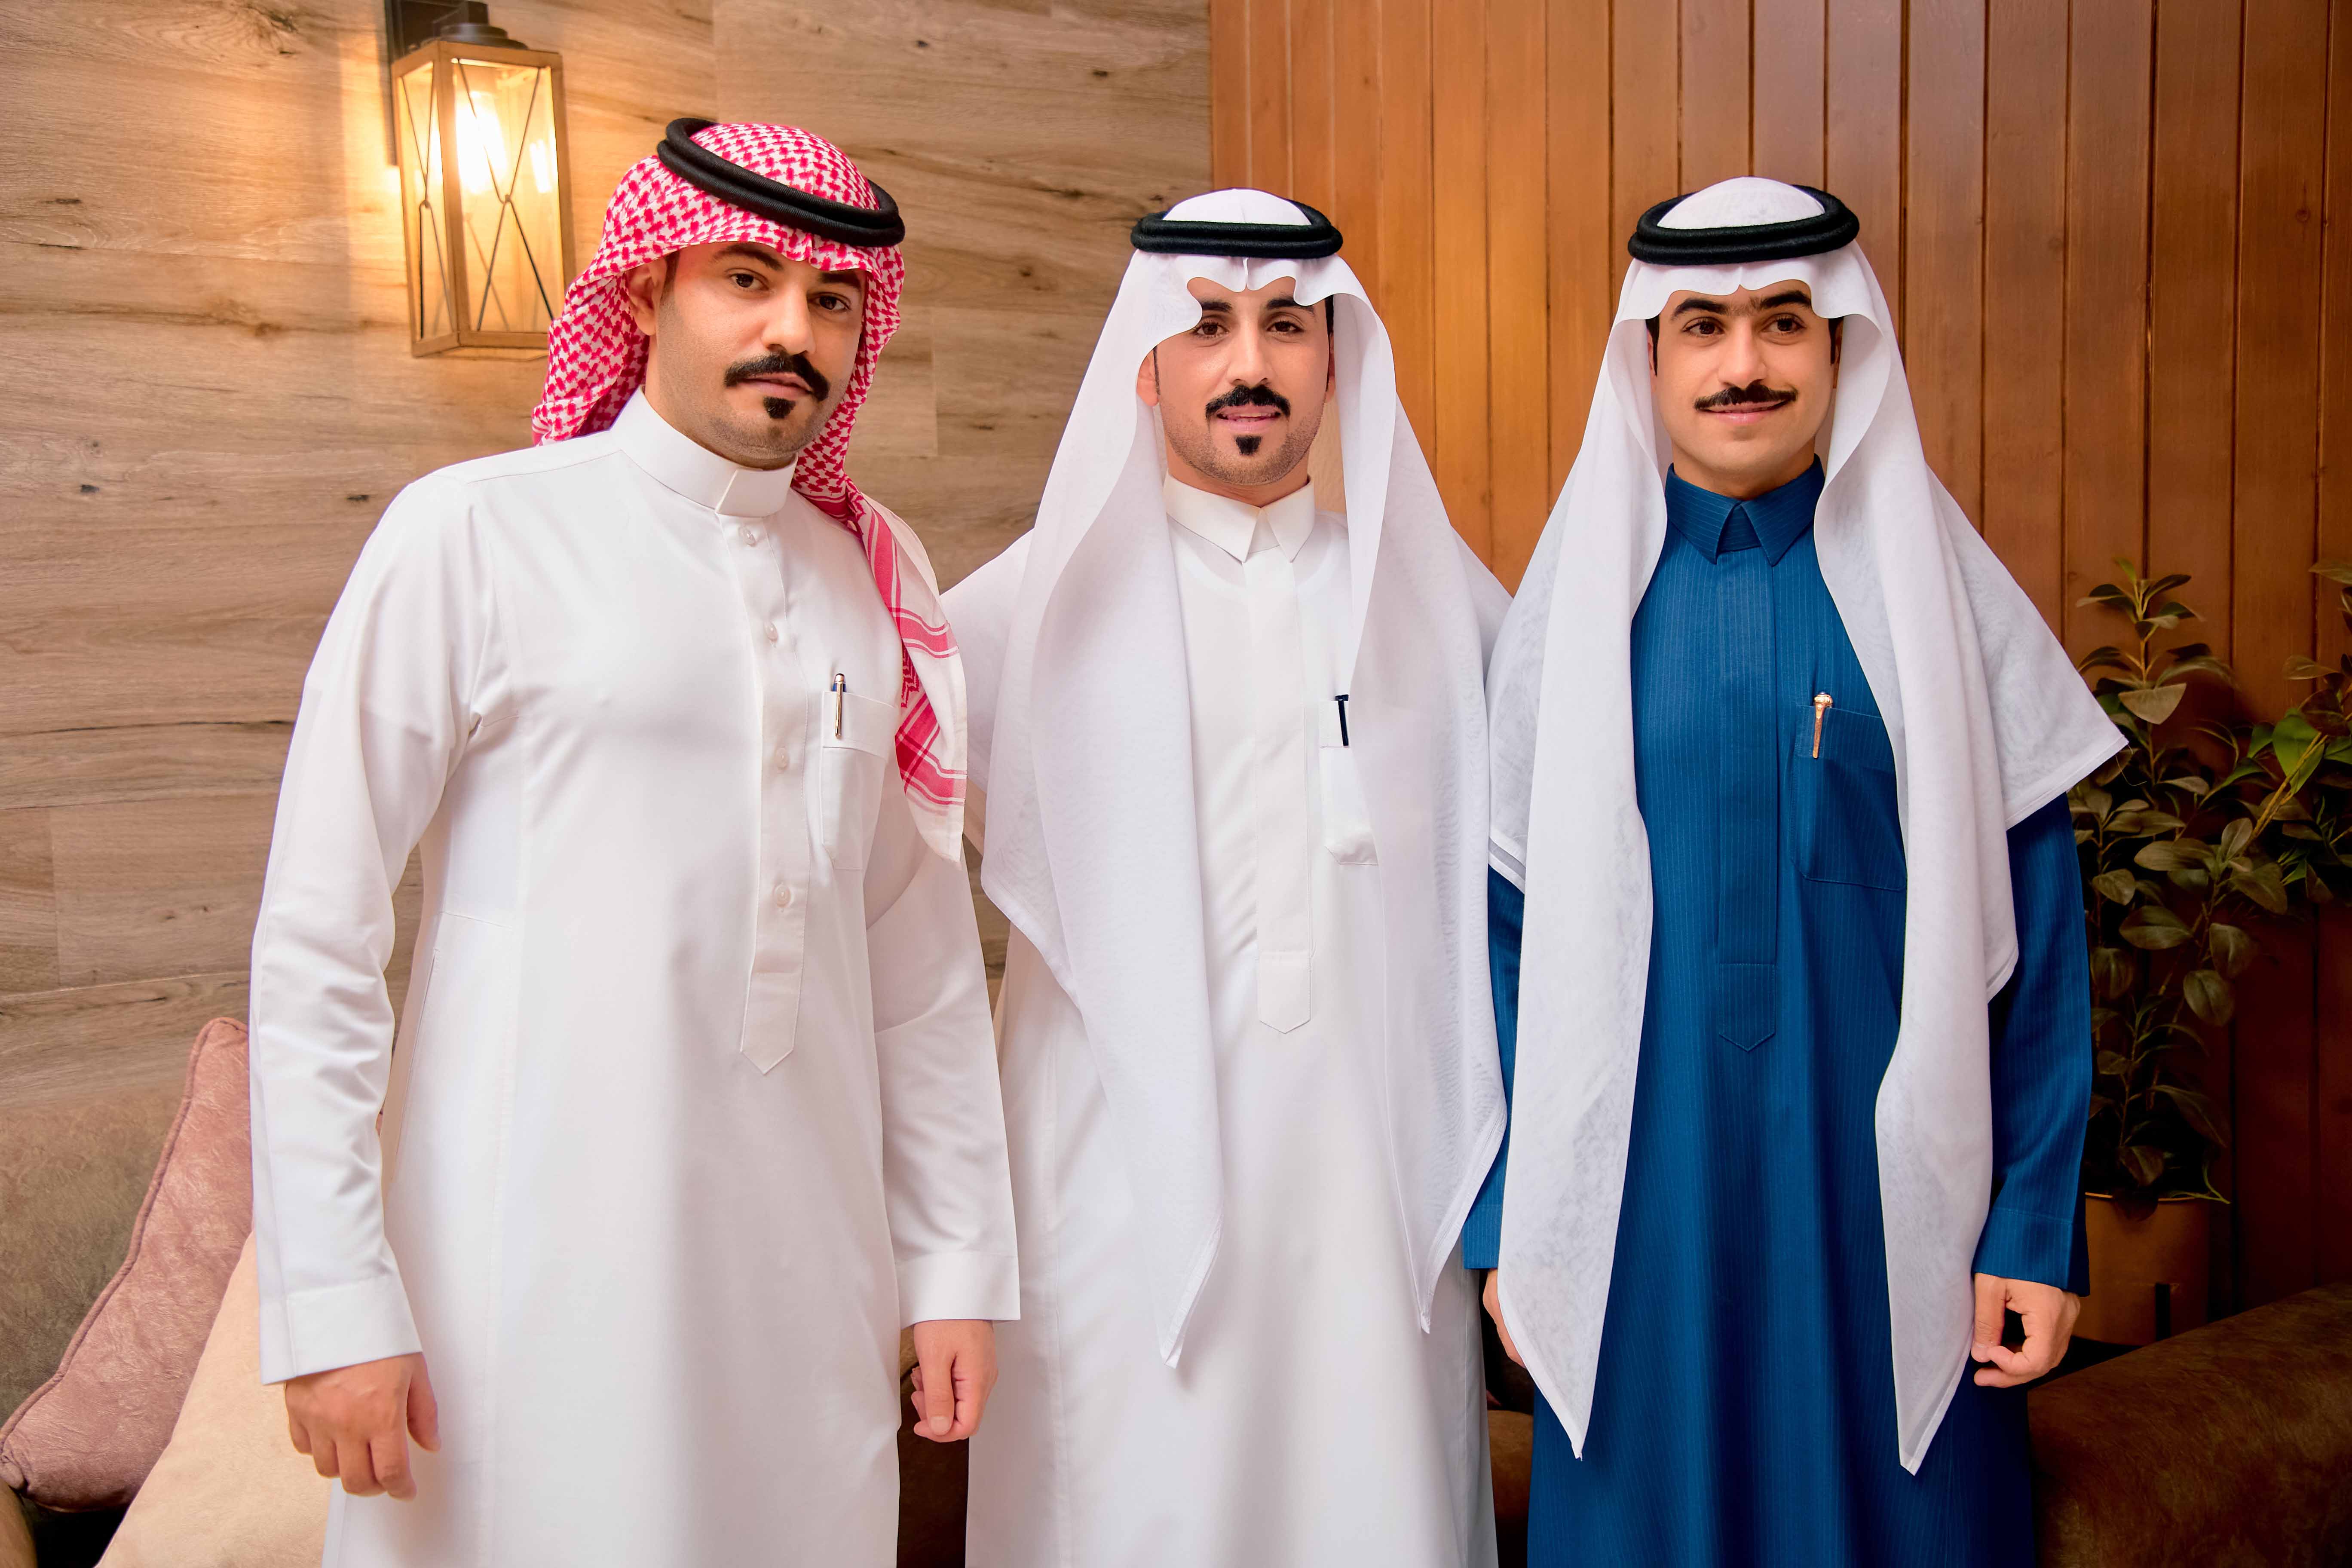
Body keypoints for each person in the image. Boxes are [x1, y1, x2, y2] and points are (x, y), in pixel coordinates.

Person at [247, 119, 1017, 1567]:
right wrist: (336, 1301)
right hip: (522, 1284)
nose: (793, 332)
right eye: (748, 281)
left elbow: (917, 970)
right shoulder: (474, 536)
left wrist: (956, 1267)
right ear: (649, 288)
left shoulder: (873, 580)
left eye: (831, 301)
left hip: (806, 1296)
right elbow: (318, 940)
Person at [1472, 177, 2120, 1565]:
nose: (1744, 364)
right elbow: (1500, 949)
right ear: (1650, 357)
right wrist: (1512, 1221)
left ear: (1841, 349)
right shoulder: (1575, 618)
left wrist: (2032, 1227)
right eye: (1702, 326)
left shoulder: (1941, 602)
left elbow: (2040, 946)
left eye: (1782, 321)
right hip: (1634, 1217)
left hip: (1896, 1224)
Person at [945, 190, 1507, 1567]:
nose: (1248, 363)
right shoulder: (1017, 615)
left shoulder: (1441, 605)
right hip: (1114, 1194)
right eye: (1205, 326)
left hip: (1371, 1197)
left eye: (1286, 326)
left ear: (1337, 359)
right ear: (1145, 363)